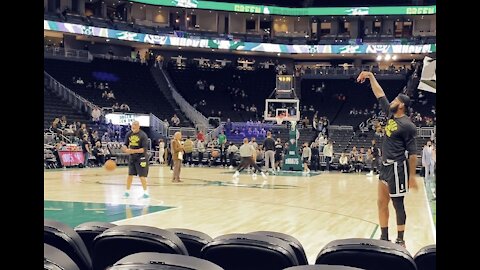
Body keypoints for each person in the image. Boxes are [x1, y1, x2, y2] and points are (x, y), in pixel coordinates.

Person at [357, 71, 418, 247]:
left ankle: (400, 240)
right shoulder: (391, 115)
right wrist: (369, 75)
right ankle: (384, 237)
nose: (391, 102)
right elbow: (380, 93)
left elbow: (413, 153)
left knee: (398, 204)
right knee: (381, 202)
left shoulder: (408, 125)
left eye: (395, 101)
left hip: (398, 169)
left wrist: (412, 177)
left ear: (401, 106)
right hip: (384, 167)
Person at [122, 121, 150, 198]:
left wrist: (133, 151)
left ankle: (146, 193)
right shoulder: (129, 134)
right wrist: (125, 149)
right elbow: (125, 144)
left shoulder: (143, 135)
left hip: (141, 157)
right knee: (130, 175)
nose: (133, 128)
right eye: (132, 127)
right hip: (132, 157)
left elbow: (144, 149)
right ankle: (127, 192)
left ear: (138, 126)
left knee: (142, 176)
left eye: (134, 127)